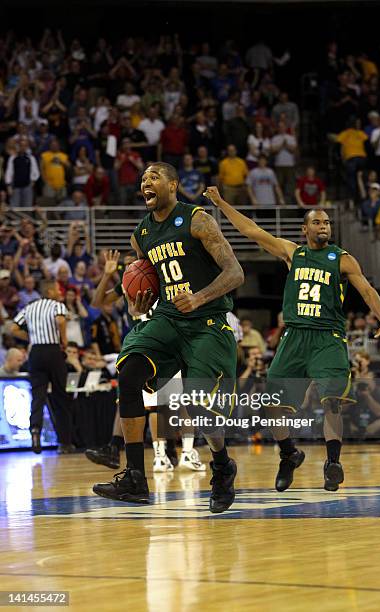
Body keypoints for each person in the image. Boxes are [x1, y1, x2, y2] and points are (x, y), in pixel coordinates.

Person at [204, 186, 380, 492]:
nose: (324, 227)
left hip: (327, 337)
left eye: (327, 223)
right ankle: (288, 454)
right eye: (318, 223)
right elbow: (251, 230)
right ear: (304, 228)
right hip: (294, 336)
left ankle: (332, 462)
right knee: (272, 405)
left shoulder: (342, 259)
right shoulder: (292, 253)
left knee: (332, 400)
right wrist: (221, 203)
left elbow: (368, 292)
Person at [93, 162, 244, 511]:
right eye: (143, 178)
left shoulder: (197, 219)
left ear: (173, 185)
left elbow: (235, 272)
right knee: (129, 370)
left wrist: (200, 296)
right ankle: (134, 476)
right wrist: (136, 305)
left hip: (207, 320)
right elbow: (148, 280)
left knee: (199, 407)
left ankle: (221, 465)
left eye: (154, 176)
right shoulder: (141, 234)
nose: (145, 182)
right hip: (169, 318)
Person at [87, 249, 206, 473]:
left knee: (177, 404)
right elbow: (97, 302)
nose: (130, 267)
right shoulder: (128, 285)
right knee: (151, 404)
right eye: (127, 265)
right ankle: (160, 454)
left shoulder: (161, 280)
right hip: (145, 349)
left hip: (165, 344)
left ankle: (182, 452)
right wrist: (107, 274)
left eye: (135, 263)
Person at [11, 279, 73, 454]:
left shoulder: (29, 307)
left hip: (36, 353)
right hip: (53, 351)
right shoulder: (56, 305)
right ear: (50, 291)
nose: (60, 292)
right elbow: (61, 321)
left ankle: (35, 431)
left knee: (37, 397)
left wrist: (30, 336)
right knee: (61, 397)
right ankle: (64, 443)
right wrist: (64, 340)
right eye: (57, 289)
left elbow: (13, 328)